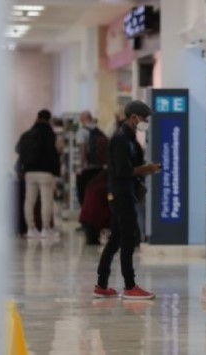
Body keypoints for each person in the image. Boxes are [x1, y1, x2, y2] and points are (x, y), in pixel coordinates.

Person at [93, 100, 160, 300]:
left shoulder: (130, 138)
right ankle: (130, 286)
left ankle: (102, 284)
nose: (146, 122)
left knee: (116, 239)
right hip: (120, 193)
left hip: (125, 191)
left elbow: (133, 166)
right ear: (133, 118)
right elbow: (122, 171)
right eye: (144, 118)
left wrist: (146, 169)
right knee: (128, 239)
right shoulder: (121, 139)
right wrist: (145, 169)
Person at [18, 109, 61, 238]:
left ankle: (31, 229)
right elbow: (53, 153)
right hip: (46, 172)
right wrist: (56, 170)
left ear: (37, 117)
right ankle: (45, 229)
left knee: (29, 201)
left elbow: (19, 150)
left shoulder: (27, 134)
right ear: (49, 119)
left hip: (29, 172)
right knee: (46, 200)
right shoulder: (49, 134)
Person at [76, 111, 106, 206]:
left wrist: (80, 166)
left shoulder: (82, 131)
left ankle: (86, 214)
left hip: (87, 169)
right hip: (99, 168)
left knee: (84, 195)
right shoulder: (99, 131)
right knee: (96, 195)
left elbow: (82, 150)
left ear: (83, 119)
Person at [79, 170, 110, 245]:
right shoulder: (106, 187)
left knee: (92, 242)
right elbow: (111, 200)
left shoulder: (91, 185)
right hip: (95, 220)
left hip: (85, 219)